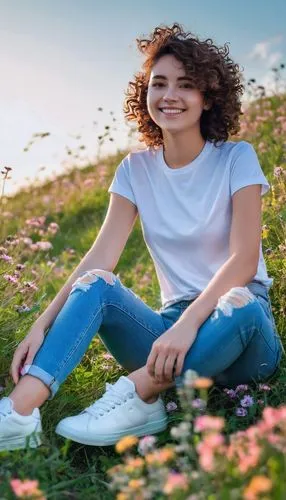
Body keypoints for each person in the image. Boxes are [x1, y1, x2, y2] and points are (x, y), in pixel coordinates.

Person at [0, 22, 284, 451]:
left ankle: (141, 393)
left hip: (242, 332)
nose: (170, 95)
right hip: (167, 333)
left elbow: (245, 262)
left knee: (241, 302)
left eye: (185, 85)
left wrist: (188, 326)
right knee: (97, 285)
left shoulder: (236, 158)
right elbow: (99, 257)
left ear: (207, 97)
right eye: (159, 83)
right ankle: (19, 414)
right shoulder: (135, 170)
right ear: (145, 93)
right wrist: (43, 324)